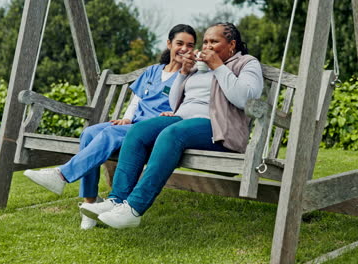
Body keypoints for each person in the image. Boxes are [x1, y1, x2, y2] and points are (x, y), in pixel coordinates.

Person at [79, 22, 264, 229]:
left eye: (214, 42)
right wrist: (184, 73)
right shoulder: (200, 67)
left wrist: (218, 67)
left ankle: (134, 208)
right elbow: (176, 101)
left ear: (231, 45)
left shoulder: (246, 63)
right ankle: (117, 200)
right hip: (183, 120)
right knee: (139, 130)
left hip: (218, 128)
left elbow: (246, 99)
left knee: (171, 134)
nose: (207, 46)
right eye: (205, 42)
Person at [23, 24, 197, 230]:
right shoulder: (152, 71)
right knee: (89, 133)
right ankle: (90, 204)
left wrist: (175, 114)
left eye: (190, 45)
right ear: (169, 44)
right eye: (179, 43)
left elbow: (192, 104)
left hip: (154, 131)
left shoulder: (190, 75)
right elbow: (136, 99)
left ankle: (61, 175)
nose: (184, 48)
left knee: (110, 133)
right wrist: (127, 118)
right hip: (133, 124)